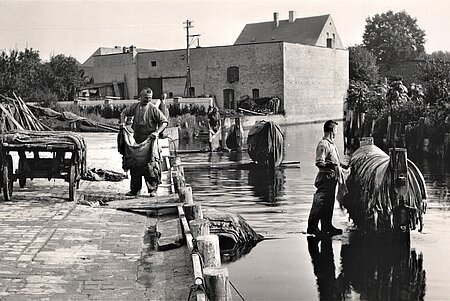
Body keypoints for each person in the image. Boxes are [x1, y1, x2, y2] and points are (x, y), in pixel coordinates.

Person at [120, 87, 168, 197]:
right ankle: (135, 190)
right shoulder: (135, 107)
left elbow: (164, 122)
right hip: (137, 139)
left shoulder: (153, 109)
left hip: (150, 140)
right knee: (135, 165)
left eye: (150, 98)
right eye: (146, 98)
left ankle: (152, 190)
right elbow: (124, 113)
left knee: (150, 165)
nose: (148, 100)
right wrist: (122, 124)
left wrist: (157, 132)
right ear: (140, 97)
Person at [307, 120, 347, 238]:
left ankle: (327, 226)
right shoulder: (323, 144)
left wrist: (344, 166)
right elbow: (319, 163)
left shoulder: (331, 145)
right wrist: (332, 166)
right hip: (325, 177)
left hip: (332, 178)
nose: (336, 132)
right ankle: (312, 227)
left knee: (329, 203)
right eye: (335, 130)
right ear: (331, 130)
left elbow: (336, 162)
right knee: (320, 202)